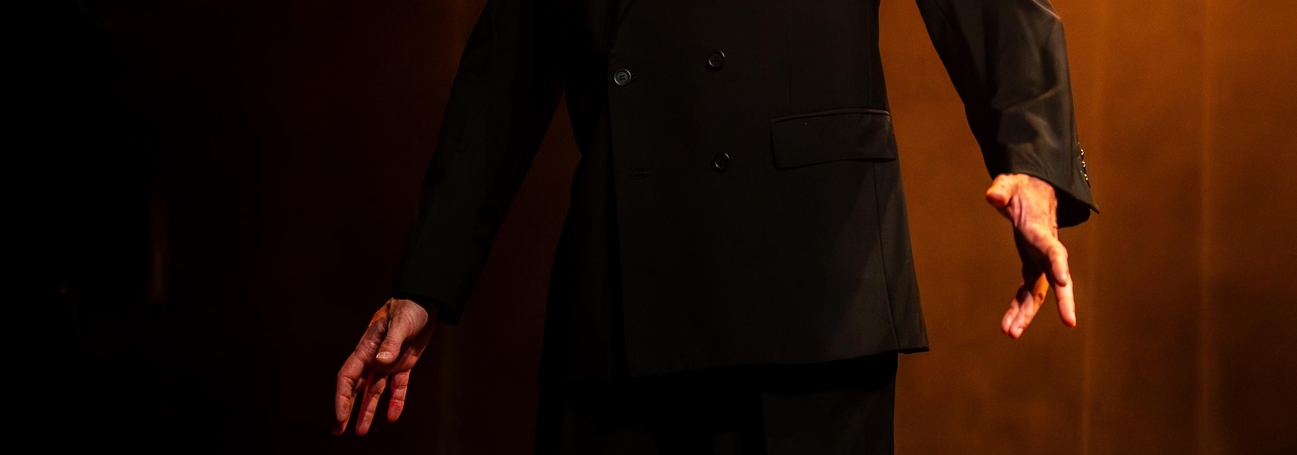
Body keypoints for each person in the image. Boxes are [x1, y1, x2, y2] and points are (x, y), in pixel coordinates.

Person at [332, 0, 1097, 453]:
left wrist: (1033, 163)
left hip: (811, 301)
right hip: (618, 302)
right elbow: (509, 54)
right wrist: (426, 281)